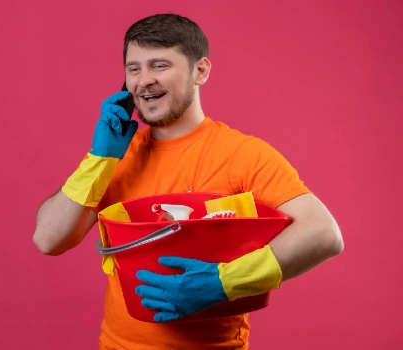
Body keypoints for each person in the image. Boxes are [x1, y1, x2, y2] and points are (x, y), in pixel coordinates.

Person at [33, 13, 344, 350]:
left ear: (201, 71)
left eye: (159, 65)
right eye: (133, 69)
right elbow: (49, 239)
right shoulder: (113, 160)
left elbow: (323, 233)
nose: (143, 81)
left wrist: (223, 283)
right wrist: (99, 159)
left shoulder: (243, 154)